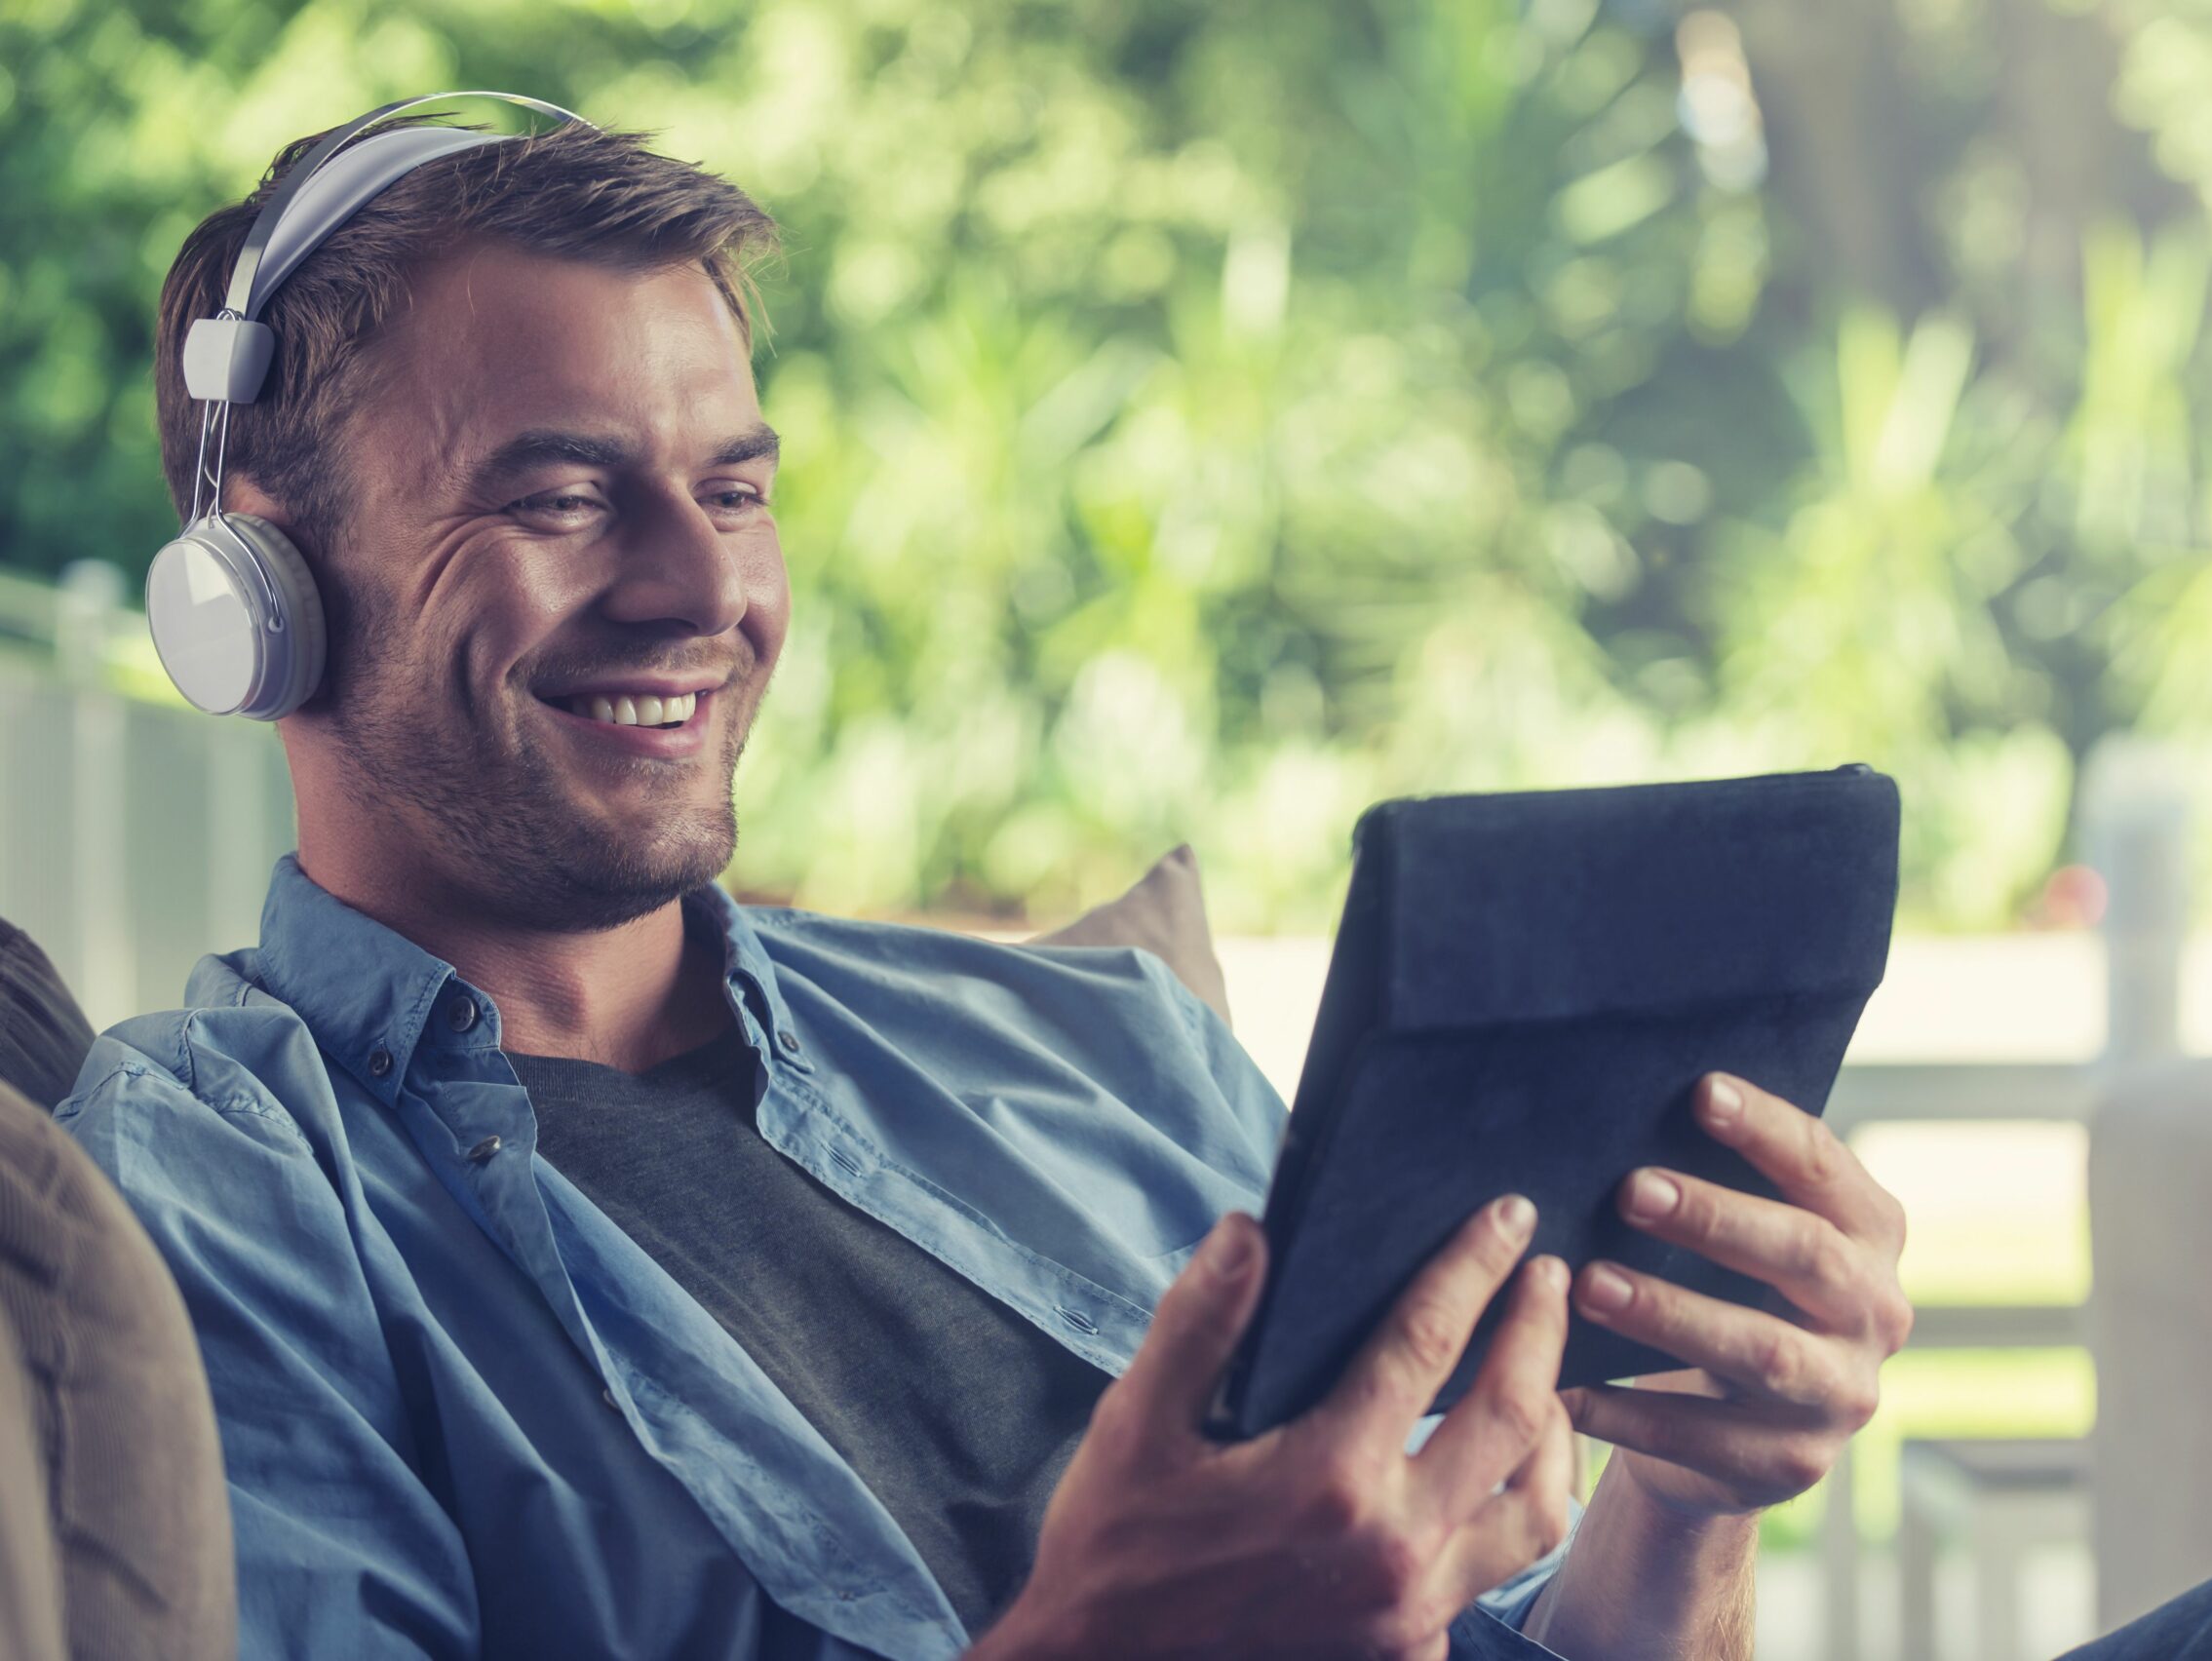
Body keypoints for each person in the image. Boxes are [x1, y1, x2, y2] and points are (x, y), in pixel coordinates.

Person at [55, 108, 1909, 1660]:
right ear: (253, 596)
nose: (702, 593)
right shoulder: (206, 1194)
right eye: (558, 497)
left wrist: (1685, 1498)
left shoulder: (1100, 1045)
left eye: (734, 489)